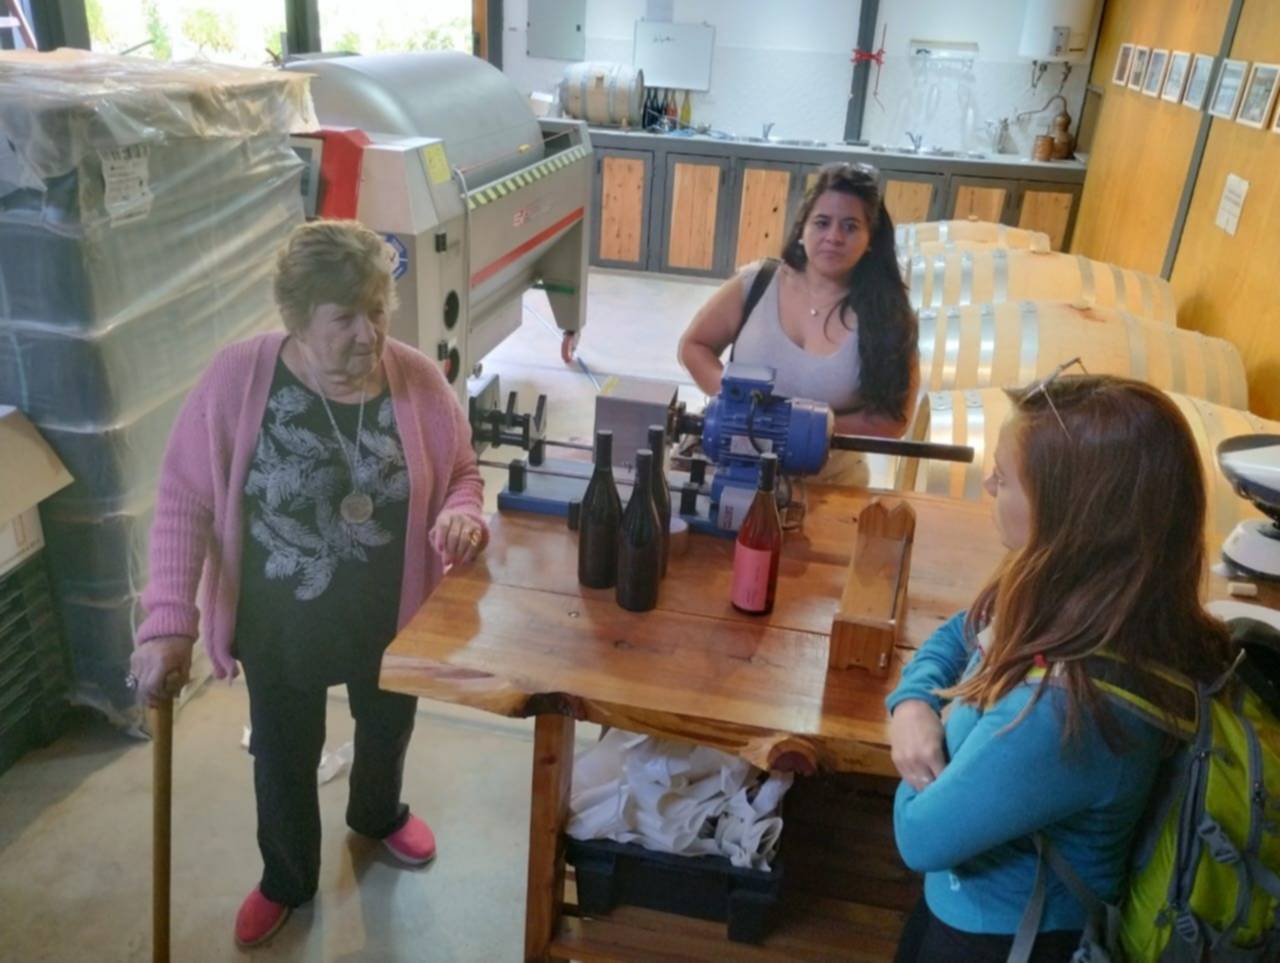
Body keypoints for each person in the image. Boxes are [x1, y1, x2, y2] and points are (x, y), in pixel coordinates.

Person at [128, 220, 488, 948]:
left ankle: (377, 815)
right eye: (344, 317)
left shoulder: (418, 379)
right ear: (297, 319)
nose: (369, 334)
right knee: (283, 755)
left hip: (390, 615)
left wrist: (461, 515)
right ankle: (287, 878)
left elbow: (463, 473)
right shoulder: (238, 378)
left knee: (387, 729)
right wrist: (168, 624)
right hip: (280, 620)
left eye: (377, 310)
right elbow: (185, 499)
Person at [887, 369, 1237, 962]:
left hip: (1003, 941)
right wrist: (913, 701)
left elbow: (918, 835)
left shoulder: (1064, 710)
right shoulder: (1094, 604)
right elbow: (963, 629)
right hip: (968, 909)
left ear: (1070, 516)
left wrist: (927, 741)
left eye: (1005, 478)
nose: (989, 485)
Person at [677, 162, 919, 483]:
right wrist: (736, 406)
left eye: (850, 226)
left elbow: (893, 419)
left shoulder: (888, 314)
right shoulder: (758, 282)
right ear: (802, 229)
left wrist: (809, 427)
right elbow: (694, 346)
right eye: (822, 222)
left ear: (870, 239)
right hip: (734, 467)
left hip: (831, 481)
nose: (833, 236)